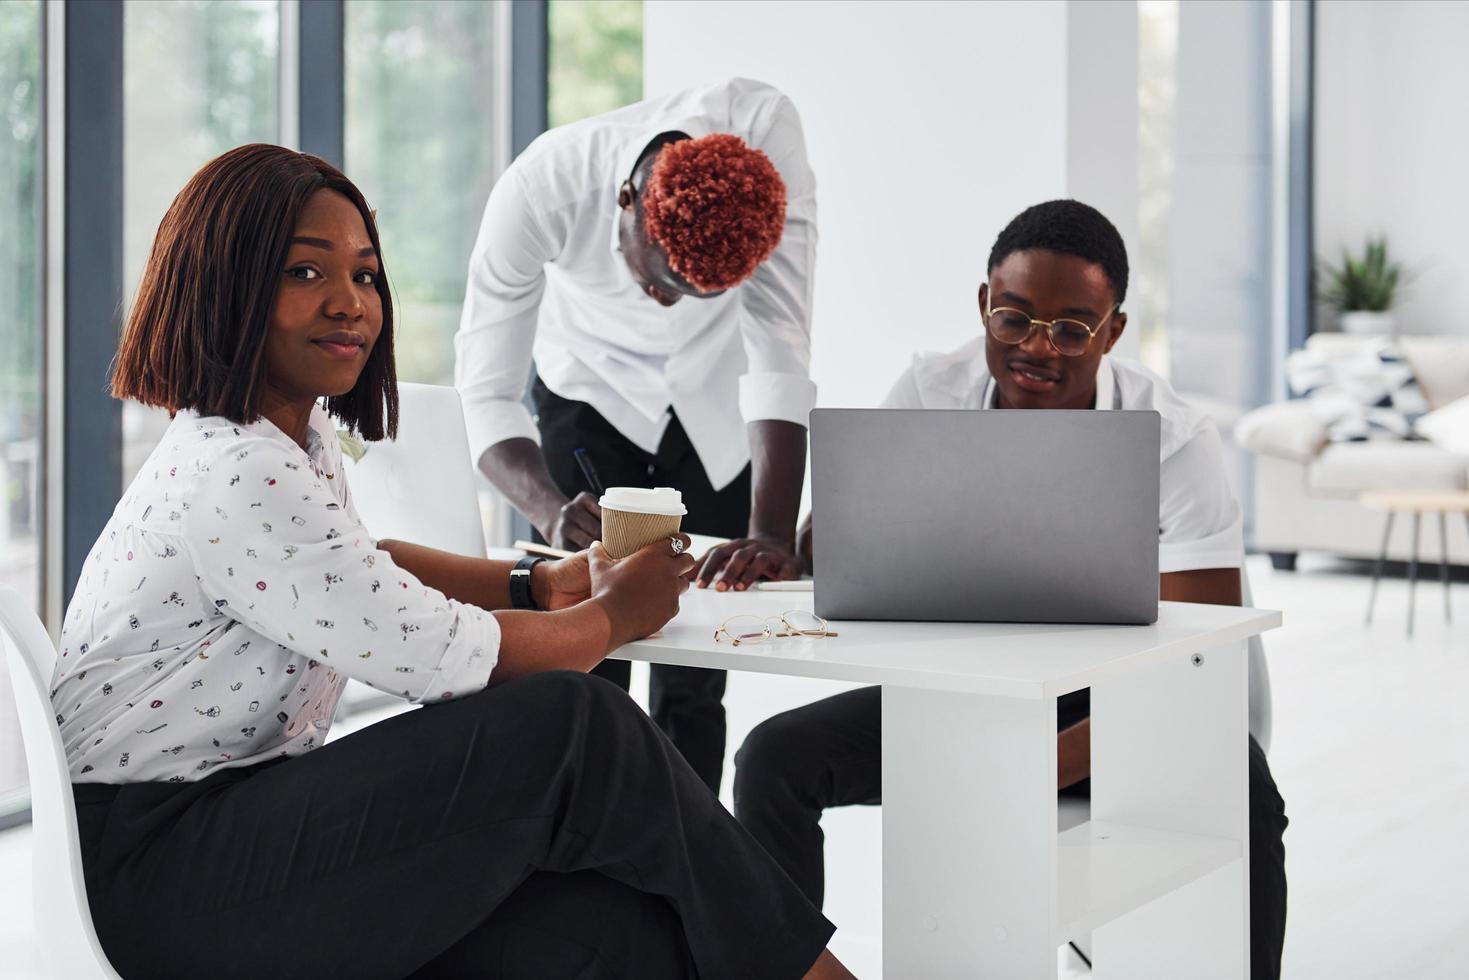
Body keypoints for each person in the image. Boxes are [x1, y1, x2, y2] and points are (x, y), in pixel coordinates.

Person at [53, 143, 854, 980]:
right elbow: (448, 659)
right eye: (303, 273)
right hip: (161, 874)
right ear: (223, 283)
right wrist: (615, 614)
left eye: (365, 276)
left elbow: (363, 566)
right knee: (577, 723)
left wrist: (541, 582)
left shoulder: (289, 437)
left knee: (610, 926)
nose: (349, 304)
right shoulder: (238, 470)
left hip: (217, 836)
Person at [733, 200, 1289, 979]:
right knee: (774, 758)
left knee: (1244, 786)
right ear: (983, 306)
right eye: (1014, 318)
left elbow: (1199, 664)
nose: (1037, 348)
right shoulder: (931, 388)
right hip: (963, 702)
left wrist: (1017, 772)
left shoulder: (1172, 440)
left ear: (1113, 332)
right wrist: (799, 546)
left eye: (1071, 328)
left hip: (1118, 707)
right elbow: (846, 546)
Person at [455, 77, 817, 792]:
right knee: (588, 653)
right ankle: (584, 870)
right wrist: (547, 506)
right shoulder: (540, 188)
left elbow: (780, 351)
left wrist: (772, 533)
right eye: (657, 280)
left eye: (688, 294)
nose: (663, 301)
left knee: (697, 666)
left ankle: (686, 861)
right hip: (588, 399)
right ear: (627, 202)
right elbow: (486, 389)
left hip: (714, 409)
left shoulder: (765, 141)